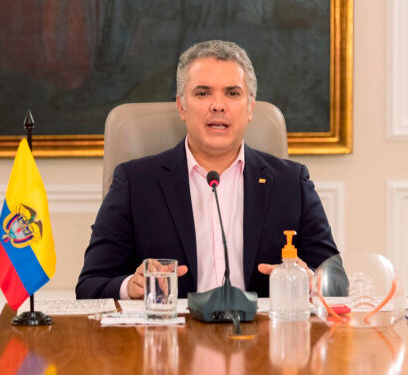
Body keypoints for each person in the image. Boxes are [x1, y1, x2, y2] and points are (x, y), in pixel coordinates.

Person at [76, 40, 344, 300]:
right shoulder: (135, 183)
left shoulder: (290, 183)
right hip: (171, 340)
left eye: (232, 93)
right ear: (182, 106)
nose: (218, 105)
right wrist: (131, 287)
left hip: (262, 340)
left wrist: (308, 279)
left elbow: (337, 282)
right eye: (203, 93)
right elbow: (90, 285)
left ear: (250, 107)